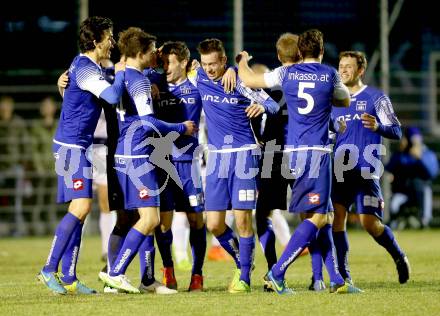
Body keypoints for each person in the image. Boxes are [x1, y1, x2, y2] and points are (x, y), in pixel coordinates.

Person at [238, 29, 361, 294]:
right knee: (318, 216)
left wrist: (241, 61)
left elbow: (247, 78)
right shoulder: (329, 74)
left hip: (290, 152)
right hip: (316, 152)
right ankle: (277, 272)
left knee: (320, 215)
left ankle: (336, 281)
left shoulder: (284, 74)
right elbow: (345, 99)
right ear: (321, 50)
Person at [98, 27, 196, 294]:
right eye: (152, 51)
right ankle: (115, 272)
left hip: (124, 153)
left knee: (138, 218)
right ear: (140, 53)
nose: (155, 54)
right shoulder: (139, 81)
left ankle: (146, 280)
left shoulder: (126, 75)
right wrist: (181, 128)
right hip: (137, 155)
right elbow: (148, 121)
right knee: (150, 219)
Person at [37, 16, 126, 295]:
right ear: (96, 40)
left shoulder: (82, 65)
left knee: (80, 209)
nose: (112, 42)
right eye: (109, 37)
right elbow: (111, 97)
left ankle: (70, 276)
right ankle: (48, 269)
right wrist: (123, 71)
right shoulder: (87, 69)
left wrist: (61, 84)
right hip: (71, 147)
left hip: (77, 145)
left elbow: (73, 93)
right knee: (81, 207)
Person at [189, 38, 279, 293]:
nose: (209, 69)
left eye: (214, 64)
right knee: (214, 224)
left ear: (223, 61)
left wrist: (261, 106)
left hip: (244, 156)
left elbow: (273, 105)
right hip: (217, 158)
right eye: (205, 64)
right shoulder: (198, 76)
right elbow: (176, 68)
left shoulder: (239, 82)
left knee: (242, 221)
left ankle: (244, 278)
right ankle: (244, 261)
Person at [331, 50, 411, 285]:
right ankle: (344, 276)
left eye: (348, 66)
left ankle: (399, 256)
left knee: (370, 223)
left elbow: (396, 130)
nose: (343, 70)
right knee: (337, 218)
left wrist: (378, 127)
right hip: (340, 169)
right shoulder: (334, 99)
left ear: (360, 70)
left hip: (366, 169)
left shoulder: (376, 97)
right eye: (340, 66)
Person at [148, 41, 207, 291]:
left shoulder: (197, 84)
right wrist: (154, 62)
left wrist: (230, 71)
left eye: (169, 63)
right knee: (163, 223)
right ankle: (168, 270)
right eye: (162, 63)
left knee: (196, 220)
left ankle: (197, 274)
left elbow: (222, 75)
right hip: (161, 163)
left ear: (184, 62)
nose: (165, 68)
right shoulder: (153, 83)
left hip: (189, 164)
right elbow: (127, 69)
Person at [249, 34, 303, 292]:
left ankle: (273, 268)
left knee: (263, 214)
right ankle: (323, 277)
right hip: (306, 150)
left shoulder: (275, 79)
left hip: (275, 150)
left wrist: (240, 64)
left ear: (279, 57)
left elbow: (247, 85)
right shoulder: (319, 79)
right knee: (317, 216)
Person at [386, 126, 439, 228]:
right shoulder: (401, 154)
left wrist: (420, 158)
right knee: (394, 204)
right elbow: (388, 169)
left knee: (426, 191)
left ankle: (425, 222)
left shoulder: (427, 154)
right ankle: (394, 223)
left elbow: (432, 173)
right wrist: (400, 153)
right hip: (404, 192)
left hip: (420, 192)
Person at [30, 96, 59, 234]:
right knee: (39, 201)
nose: (47, 108)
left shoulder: (60, 125)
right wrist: (39, 168)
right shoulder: (36, 126)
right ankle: (34, 229)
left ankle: (50, 229)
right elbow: (34, 149)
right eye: (45, 106)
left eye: (50, 105)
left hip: (55, 169)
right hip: (41, 171)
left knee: (51, 202)